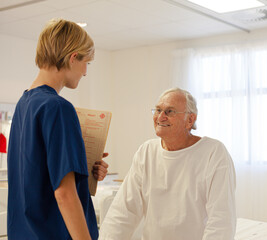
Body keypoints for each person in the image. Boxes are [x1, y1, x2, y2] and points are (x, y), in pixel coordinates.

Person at [7, 19, 109, 240]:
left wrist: (84, 166)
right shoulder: (58, 108)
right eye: (87, 63)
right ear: (73, 58)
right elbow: (64, 193)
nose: (85, 73)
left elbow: (37, 173)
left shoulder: (24, 104)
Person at [100, 88, 236, 240]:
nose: (160, 117)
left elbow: (221, 219)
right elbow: (123, 211)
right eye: (158, 110)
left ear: (190, 120)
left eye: (170, 111)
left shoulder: (214, 153)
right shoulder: (147, 151)